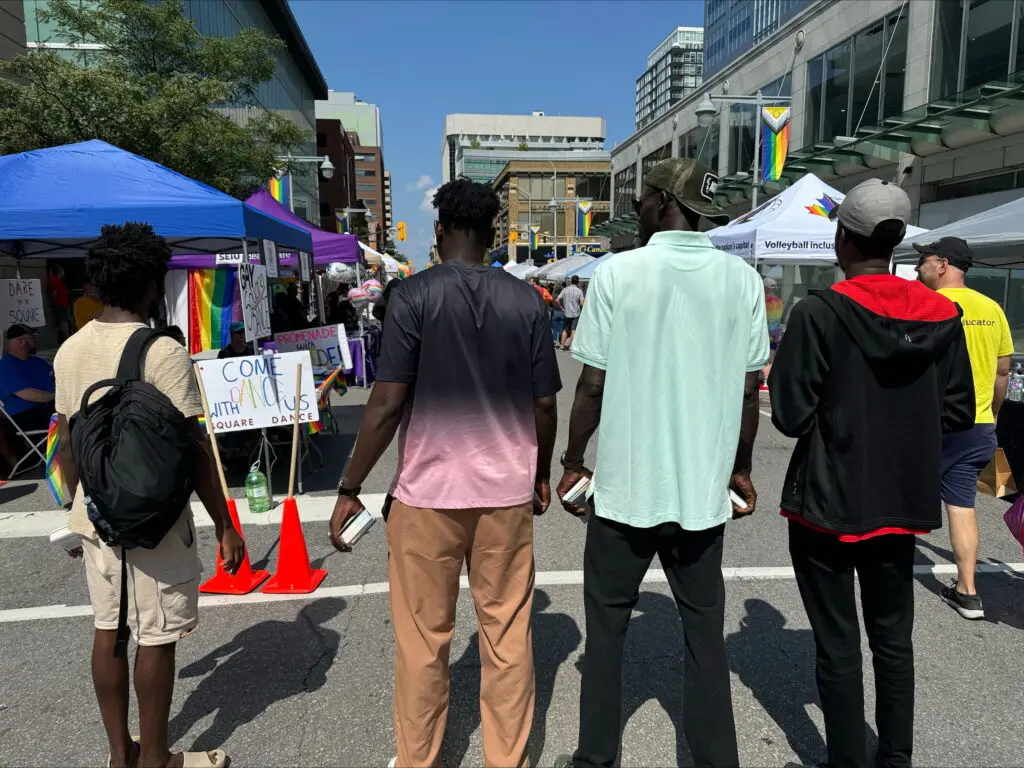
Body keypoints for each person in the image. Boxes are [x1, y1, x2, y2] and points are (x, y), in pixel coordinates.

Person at [328, 179, 560, 768]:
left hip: (427, 495)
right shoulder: (528, 301)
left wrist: (350, 487)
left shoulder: (411, 297)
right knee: (507, 636)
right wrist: (538, 471)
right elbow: (544, 406)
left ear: (437, 232)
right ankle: (506, 760)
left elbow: (384, 405)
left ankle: (419, 761)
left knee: (422, 643)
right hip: (505, 493)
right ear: (494, 234)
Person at [553, 158, 766, 768]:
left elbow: (592, 384)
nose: (639, 210)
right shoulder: (741, 280)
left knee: (607, 636)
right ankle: (716, 758)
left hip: (624, 490)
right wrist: (740, 468)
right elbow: (750, 389)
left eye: (643, 199)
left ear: (660, 201)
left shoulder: (620, 274)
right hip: (701, 495)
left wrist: (572, 459)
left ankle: (595, 757)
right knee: (705, 637)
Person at [770, 179, 975, 768]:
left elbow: (788, 414)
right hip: (902, 496)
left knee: (838, 645)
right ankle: (897, 758)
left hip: (828, 501)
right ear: (896, 244)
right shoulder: (944, 315)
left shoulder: (818, 312)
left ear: (841, 237)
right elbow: (958, 410)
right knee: (893, 638)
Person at [53, 222, 245, 768]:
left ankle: (122, 755)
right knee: (157, 634)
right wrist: (226, 524)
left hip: (96, 514)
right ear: (150, 283)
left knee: (108, 628)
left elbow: (67, 443)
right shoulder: (162, 352)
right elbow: (194, 450)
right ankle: (158, 757)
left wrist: (74, 511)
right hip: (155, 519)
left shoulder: (69, 351)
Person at [915, 235, 1013, 619]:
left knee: (901, 492)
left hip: (930, 424)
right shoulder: (992, 308)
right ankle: (968, 591)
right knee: (961, 506)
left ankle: (882, 574)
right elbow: (1003, 370)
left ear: (942, 264)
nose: (918, 266)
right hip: (978, 425)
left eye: (924, 260)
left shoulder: (929, 305)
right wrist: (994, 412)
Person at [0, 323, 55, 433]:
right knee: (73, 418)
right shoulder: (5, 366)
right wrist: (58, 397)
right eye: (33, 337)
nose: (36, 341)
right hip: (26, 414)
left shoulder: (38, 362)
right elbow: (28, 394)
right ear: (21, 341)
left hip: (50, 408)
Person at [762, 276, 784, 385]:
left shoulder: (763, 300)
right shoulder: (779, 301)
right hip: (775, 333)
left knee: (764, 355)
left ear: (765, 287)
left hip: (765, 333)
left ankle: (765, 379)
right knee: (772, 354)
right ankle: (767, 380)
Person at [556, 275, 585, 349]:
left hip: (566, 312)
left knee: (565, 329)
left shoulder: (565, 289)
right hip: (576, 313)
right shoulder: (579, 291)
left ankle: (562, 345)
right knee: (573, 330)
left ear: (571, 281)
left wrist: (561, 307)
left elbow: (557, 300)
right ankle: (571, 346)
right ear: (577, 282)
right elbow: (582, 303)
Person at [47, 265, 72, 341]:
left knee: (65, 320)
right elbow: (54, 293)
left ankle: (67, 336)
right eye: (62, 271)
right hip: (60, 303)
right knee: (63, 321)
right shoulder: (54, 280)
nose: (63, 272)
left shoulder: (58, 280)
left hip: (64, 303)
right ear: (59, 272)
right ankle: (67, 337)